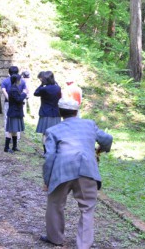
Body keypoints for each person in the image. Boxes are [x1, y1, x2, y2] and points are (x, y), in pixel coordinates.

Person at [40, 98, 113, 248]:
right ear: (76, 111)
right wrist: (101, 149)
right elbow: (107, 139)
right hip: (87, 170)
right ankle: (84, 245)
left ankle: (55, 238)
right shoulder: (89, 124)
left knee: (55, 204)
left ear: (60, 113)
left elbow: (49, 158)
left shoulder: (52, 131)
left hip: (62, 172)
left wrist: (47, 181)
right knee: (87, 208)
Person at [34, 71, 62, 156]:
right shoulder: (58, 88)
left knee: (45, 134)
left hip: (46, 113)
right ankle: (54, 152)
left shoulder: (44, 89)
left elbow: (35, 93)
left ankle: (46, 152)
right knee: (55, 134)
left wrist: (41, 84)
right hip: (56, 113)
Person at [1, 66, 28, 140]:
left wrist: (9, 99)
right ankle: (17, 136)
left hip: (8, 102)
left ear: (8, 72)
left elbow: (4, 91)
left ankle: (8, 136)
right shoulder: (21, 81)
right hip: (18, 103)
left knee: (7, 119)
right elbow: (25, 90)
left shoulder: (5, 81)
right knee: (17, 119)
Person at [4, 74, 27, 153]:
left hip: (15, 112)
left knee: (15, 130)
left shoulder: (14, 88)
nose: (21, 81)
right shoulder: (14, 89)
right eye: (20, 79)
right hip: (14, 112)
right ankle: (6, 147)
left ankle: (14, 146)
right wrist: (24, 93)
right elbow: (18, 99)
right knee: (11, 130)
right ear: (17, 80)